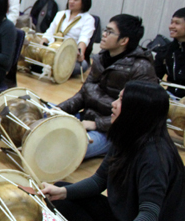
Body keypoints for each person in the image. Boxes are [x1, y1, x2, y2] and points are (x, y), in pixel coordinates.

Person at [42, 81, 185, 221]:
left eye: (120, 101)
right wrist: (63, 192)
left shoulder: (154, 157)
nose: (114, 105)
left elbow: (149, 214)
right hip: (126, 219)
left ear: (137, 111)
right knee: (60, 197)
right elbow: (99, 181)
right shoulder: (127, 136)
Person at [58, 14, 158, 159]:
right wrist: (60, 109)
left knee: (65, 149)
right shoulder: (101, 58)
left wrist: (97, 124)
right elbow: (84, 93)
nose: (103, 34)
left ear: (124, 40)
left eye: (110, 32)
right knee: (39, 116)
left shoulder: (141, 68)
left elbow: (136, 115)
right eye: (105, 30)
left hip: (113, 131)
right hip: (87, 118)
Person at [41, 0, 95, 76]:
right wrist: (42, 42)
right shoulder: (60, 14)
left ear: (84, 3)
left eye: (76, 0)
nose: (71, 2)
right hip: (51, 48)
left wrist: (80, 52)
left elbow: (84, 39)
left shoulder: (88, 19)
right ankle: (53, 68)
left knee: (83, 65)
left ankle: (49, 67)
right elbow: (50, 32)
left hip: (68, 54)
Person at [154, 7, 185, 98]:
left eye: (177, 23)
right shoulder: (165, 50)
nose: (171, 26)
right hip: (170, 98)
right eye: (172, 22)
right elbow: (155, 77)